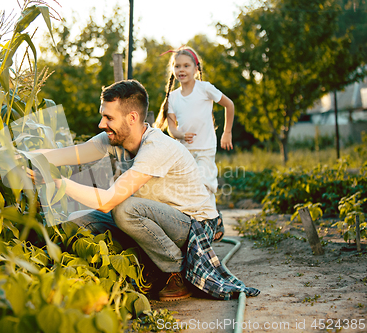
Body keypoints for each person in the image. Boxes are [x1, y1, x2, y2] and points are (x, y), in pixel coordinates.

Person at [24, 80, 259, 301]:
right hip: (158, 219)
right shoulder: (113, 138)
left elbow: (107, 201)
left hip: (193, 226)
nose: (101, 124)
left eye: (108, 117)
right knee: (75, 221)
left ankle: (176, 272)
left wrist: (56, 182)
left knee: (124, 209)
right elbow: (72, 154)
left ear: (132, 117)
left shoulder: (155, 147)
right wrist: (24, 156)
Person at [154, 46, 235, 243]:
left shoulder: (205, 88)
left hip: (206, 146)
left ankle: (213, 220)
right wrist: (181, 134)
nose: (181, 70)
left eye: (186, 65)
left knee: (204, 182)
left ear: (196, 68)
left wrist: (227, 132)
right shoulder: (172, 97)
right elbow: (171, 129)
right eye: (177, 66)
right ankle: (203, 223)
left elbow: (229, 105)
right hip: (185, 150)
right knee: (191, 187)